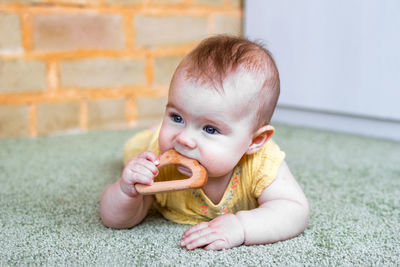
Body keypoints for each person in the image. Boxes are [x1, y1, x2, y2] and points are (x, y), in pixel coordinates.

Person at [100, 35, 309, 251]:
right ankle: (154, 130)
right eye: (176, 116)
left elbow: (294, 210)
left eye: (210, 129)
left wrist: (241, 226)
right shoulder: (156, 162)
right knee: (132, 148)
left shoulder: (262, 163)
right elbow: (114, 220)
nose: (183, 138)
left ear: (255, 141)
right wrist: (126, 191)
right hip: (150, 142)